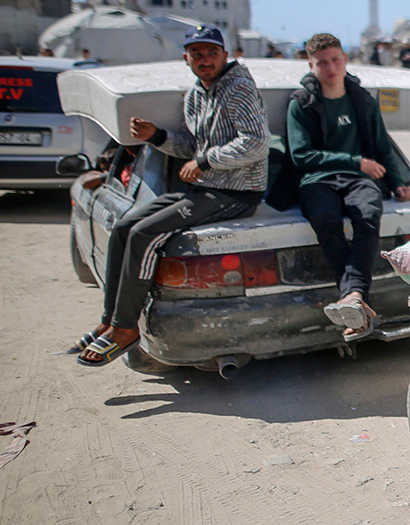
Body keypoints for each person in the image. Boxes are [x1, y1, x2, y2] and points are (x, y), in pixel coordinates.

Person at [75, 25, 269, 366]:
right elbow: (191, 146)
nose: (205, 60)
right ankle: (110, 318)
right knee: (124, 227)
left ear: (226, 56)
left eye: (212, 53)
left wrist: (205, 161)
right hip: (206, 188)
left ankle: (126, 330)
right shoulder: (196, 94)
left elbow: (256, 142)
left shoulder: (239, 88)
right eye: (197, 54)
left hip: (239, 192)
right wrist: (157, 135)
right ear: (186, 59)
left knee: (144, 234)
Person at [286, 32, 410, 340]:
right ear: (310, 65)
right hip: (318, 179)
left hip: (360, 178)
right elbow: (301, 156)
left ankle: (353, 297)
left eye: (335, 60)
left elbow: (382, 145)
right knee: (327, 220)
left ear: (344, 60)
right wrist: (354, 161)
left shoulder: (361, 99)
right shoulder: (301, 103)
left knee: (367, 216)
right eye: (322, 63)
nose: (330, 68)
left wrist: (399, 181)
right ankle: (357, 296)